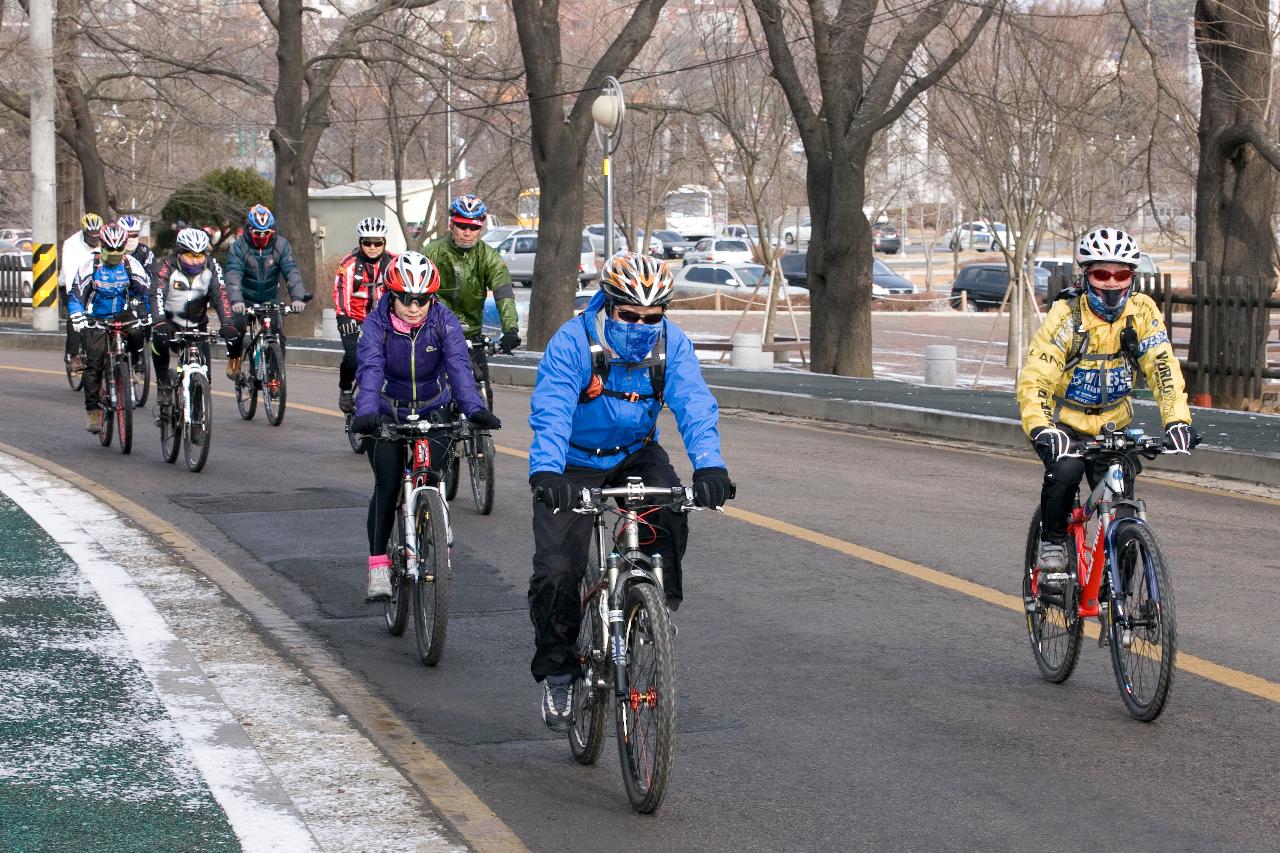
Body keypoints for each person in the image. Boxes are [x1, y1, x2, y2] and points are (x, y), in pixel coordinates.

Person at [525, 252, 734, 732]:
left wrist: (710, 466)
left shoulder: (670, 344)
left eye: (652, 317)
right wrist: (547, 472)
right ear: (610, 306)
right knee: (558, 568)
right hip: (573, 461)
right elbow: (553, 407)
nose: (641, 325)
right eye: (630, 315)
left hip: (633, 452)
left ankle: (651, 608)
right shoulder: (574, 341)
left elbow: (695, 403)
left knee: (672, 508)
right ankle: (558, 670)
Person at [1016, 227, 1194, 587]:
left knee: (1123, 505)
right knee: (1064, 472)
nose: (1111, 283)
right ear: (1086, 276)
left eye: (1122, 274)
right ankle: (1052, 544)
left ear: (1132, 278)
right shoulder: (1067, 317)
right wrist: (1041, 427)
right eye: (1101, 274)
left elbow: (1163, 370)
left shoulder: (1142, 313)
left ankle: (1120, 601)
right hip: (1065, 426)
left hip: (1115, 426)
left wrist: (1176, 420)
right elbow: (1036, 377)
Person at [349, 251, 502, 601]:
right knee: (387, 485)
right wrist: (367, 411)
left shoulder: (443, 320)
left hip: (434, 408)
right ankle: (378, 566)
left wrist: (474, 409)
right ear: (393, 295)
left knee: (431, 475)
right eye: (406, 299)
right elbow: (370, 369)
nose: (414, 307)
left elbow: (460, 368)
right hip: (388, 411)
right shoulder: (377, 324)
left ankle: (431, 519)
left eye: (422, 300)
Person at [421, 194, 521, 402]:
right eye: (462, 226)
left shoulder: (488, 256)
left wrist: (510, 328)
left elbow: (503, 293)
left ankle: (483, 434)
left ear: (481, 228)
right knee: (425, 390)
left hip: (471, 334)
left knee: (482, 387)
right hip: (434, 332)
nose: (467, 233)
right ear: (451, 224)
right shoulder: (432, 252)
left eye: (474, 228)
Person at [67, 221, 152, 433]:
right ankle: (93, 411)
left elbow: (145, 292)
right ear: (102, 246)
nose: (114, 253)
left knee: (136, 330)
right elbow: (76, 294)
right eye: (109, 249)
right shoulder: (90, 266)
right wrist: (77, 314)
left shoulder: (132, 265)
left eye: (118, 249)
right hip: (97, 316)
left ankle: (133, 363)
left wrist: (148, 312)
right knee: (94, 363)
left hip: (121, 314)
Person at [148, 228, 238, 417]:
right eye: (190, 255)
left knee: (205, 377)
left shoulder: (212, 267)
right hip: (169, 324)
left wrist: (228, 323)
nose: (196, 260)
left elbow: (221, 295)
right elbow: (156, 294)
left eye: (200, 255)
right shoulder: (165, 266)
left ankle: (198, 417)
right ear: (179, 253)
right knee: (157, 339)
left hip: (198, 326)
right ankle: (163, 382)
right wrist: (159, 321)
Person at [223, 204, 309, 379]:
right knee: (236, 329)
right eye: (257, 234)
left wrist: (298, 297)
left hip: (269, 298)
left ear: (272, 230)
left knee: (278, 334)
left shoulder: (281, 245)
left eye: (266, 233)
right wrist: (236, 300)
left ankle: (276, 376)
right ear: (249, 230)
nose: (262, 237)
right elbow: (233, 274)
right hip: (244, 299)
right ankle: (234, 357)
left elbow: (291, 271)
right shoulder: (239, 247)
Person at [332, 216, 396, 413]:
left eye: (378, 243)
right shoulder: (349, 264)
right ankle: (345, 389)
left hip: (384, 319)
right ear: (360, 243)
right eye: (367, 242)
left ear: (384, 243)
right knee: (353, 356)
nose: (373, 247)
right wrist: (344, 317)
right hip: (354, 318)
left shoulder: (394, 262)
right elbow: (341, 292)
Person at [60, 212, 103, 374]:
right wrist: (75, 300)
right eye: (90, 236)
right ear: (84, 232)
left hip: (96, 283)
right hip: (72, 284)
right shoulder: (71, 244)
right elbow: (70, 273)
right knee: (75, 317)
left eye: (96, 236)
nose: (94, 239)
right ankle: (73, 355)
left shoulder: (105, 241)